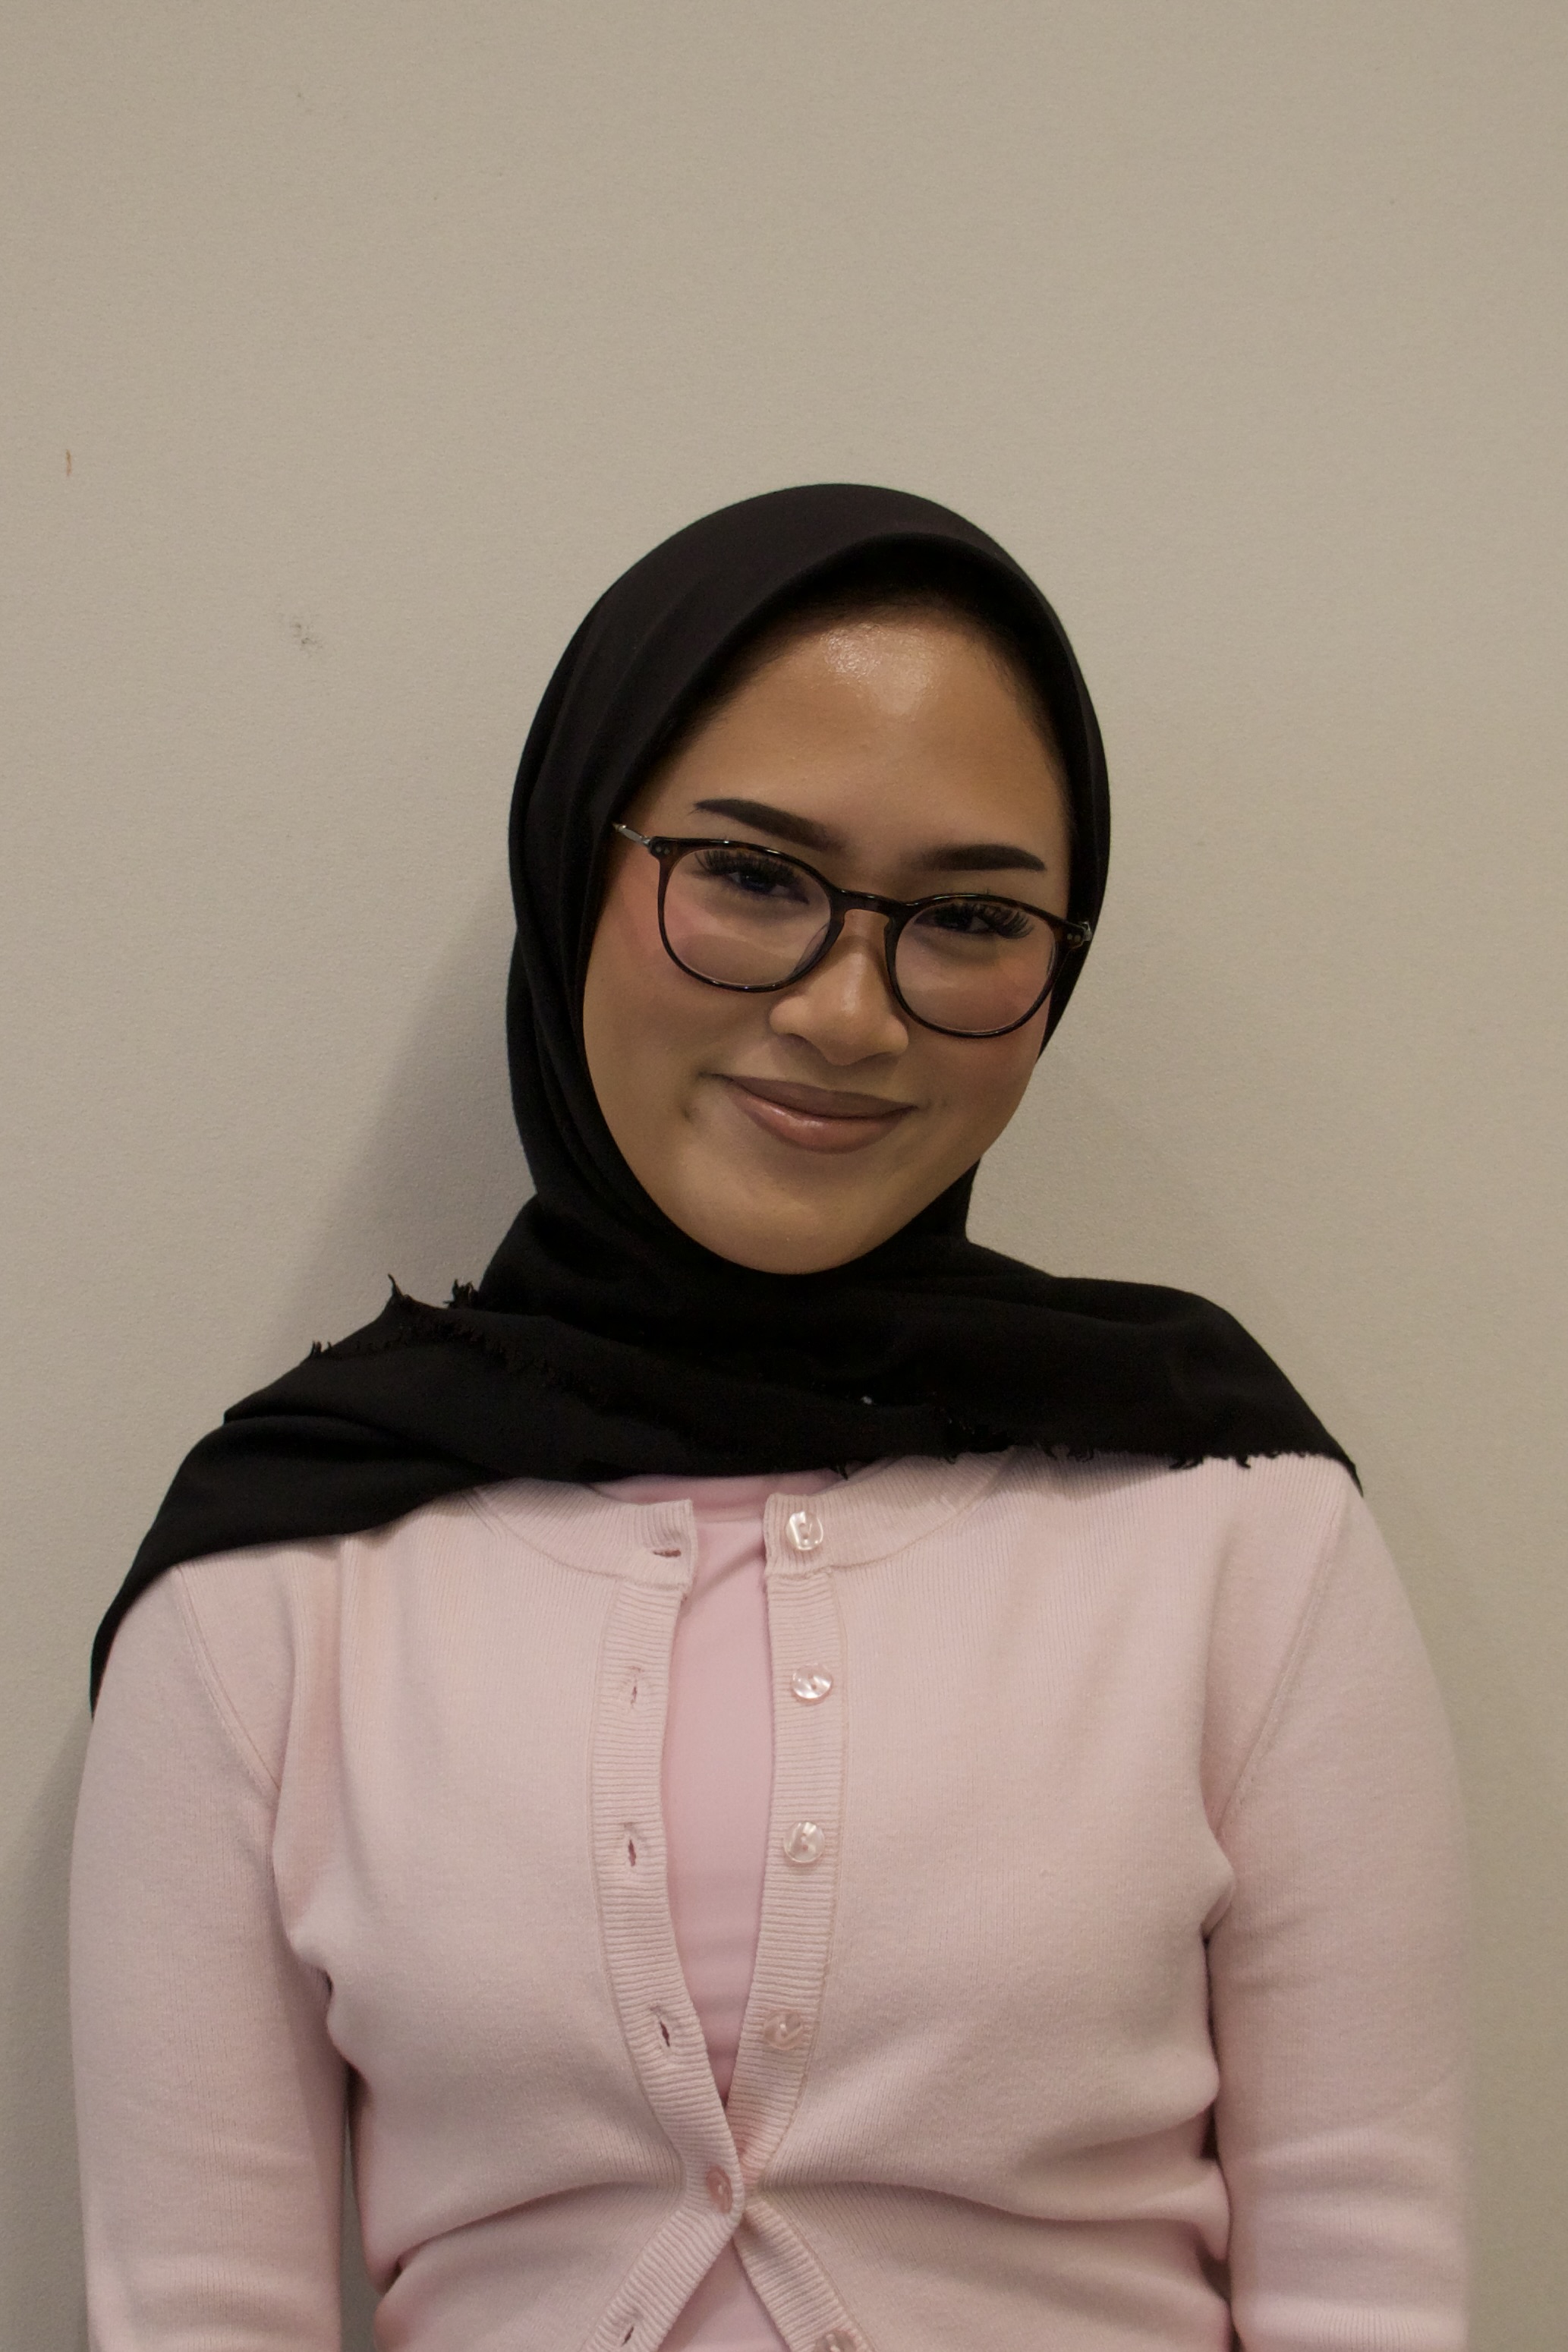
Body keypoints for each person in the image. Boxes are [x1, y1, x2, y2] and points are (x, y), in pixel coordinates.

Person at [71, 485, 1467, 2352]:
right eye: (749, 875)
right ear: (581, 862)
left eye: (967, 917)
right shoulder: (278, 1572)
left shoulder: (1234, 1524)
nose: (845, 1010)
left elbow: (1365, 2270)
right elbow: (195, 2314)